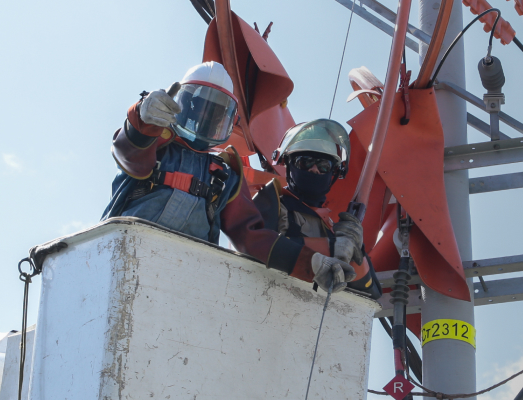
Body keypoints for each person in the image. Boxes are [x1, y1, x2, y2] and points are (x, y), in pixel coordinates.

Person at [101, 62, 354, 292]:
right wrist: (141, 121)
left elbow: (251, 237)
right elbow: (130, 156)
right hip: (121, 257)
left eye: (216, 113)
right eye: (200, 108)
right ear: (183, 105)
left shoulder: (225, 175)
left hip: (183, 279)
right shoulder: (155, 144)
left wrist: (311, 264)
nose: (207, 119)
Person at [252, 119, 381, 298]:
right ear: (288, 164)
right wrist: (328, 250)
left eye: (323, 166)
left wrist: (356, 252)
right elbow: (255, 246)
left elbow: (371, 291)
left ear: (334, 174)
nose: (314, 170)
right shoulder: (270, 202)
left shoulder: (334, 230)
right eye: (304, 162)